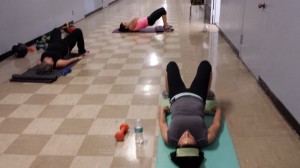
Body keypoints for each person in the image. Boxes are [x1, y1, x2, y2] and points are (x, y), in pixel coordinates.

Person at [159, 61, 222, 168]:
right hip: (198, 96)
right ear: (197, 146)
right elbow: (216, 124)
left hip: (176, 96)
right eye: (191, 137)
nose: (187, 133)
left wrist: (162, 111)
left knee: (171, 66)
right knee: (206, 65)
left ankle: (167, 92)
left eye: (183, 137)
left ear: (178, 145)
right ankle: (207, 93)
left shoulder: (169, 138)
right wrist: (218, 111)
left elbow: (162, 122)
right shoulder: (205, 138)